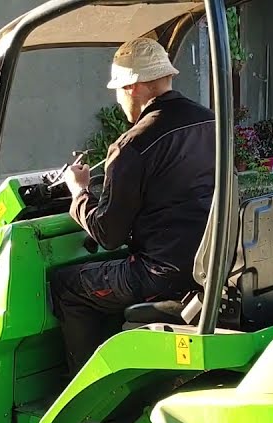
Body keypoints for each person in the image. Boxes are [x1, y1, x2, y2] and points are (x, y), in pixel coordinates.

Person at [51, 37, 216, 373]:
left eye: (117, 89)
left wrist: (79, 191)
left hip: (161, 274)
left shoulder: (132, 145)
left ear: (133, 87)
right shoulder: (210, 121)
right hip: (210, 262)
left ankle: (87, 399)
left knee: (66, 284)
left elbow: (108, 234)